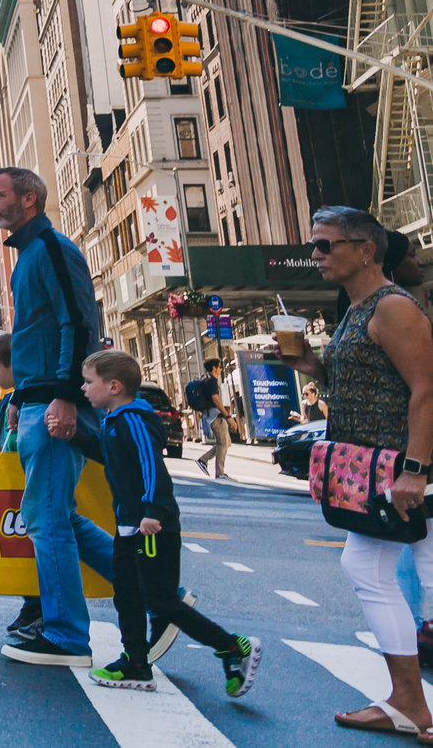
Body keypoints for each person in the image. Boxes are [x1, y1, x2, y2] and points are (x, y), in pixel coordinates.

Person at [281, 205, 433, 734]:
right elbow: (365, 382)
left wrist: (415, 470)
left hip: (395, 467)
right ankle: (408, 702)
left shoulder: (392, 307)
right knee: (383, 572)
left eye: (326, 245)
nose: (315, 255)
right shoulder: (356, 308)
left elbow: (425, 389)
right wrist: (311, 367)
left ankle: (410, 704)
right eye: (314, 245)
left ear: (366, 250)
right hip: (370, 467)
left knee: (373, 571)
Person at [0, 163, 116, 668]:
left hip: (55, 407)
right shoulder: (28, 257)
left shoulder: (54, 251)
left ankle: (66, 635)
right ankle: (156, 592)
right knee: (56, 517)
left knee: (47, 521)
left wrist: (64, 396)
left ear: (30, 201)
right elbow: (37, 337)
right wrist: (22, 396)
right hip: (39, 402)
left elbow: (80, 323)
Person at [81, 349, 260, 696]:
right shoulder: (114, 421)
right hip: (128, 526)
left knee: (160, 600)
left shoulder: (132, 419)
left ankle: (233, 647)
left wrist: (153, 511)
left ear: (114, 386)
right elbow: (108, 456)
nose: (84, 388)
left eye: (89, 382)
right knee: (127, 595)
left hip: (152, 527)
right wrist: (73, 435)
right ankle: (136, 662)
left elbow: (152, 468)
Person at [0, 333, 41, 644]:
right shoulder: (10, 400)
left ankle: (38, 606)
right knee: (18, 550)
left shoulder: (32, 401)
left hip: (28, 483)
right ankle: (31, 605)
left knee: (34, 548)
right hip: (11, 486)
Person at [185, 358, 232, 482]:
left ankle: (204, 460)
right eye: (220, 366)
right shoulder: (211, 381)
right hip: (216, 417)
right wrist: (227, 416)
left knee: (225, 443)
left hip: (212, 416)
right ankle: (219, 472)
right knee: (222, 443)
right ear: (214, 368)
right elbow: (216, 399)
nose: (221, 369)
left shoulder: (207, 380)